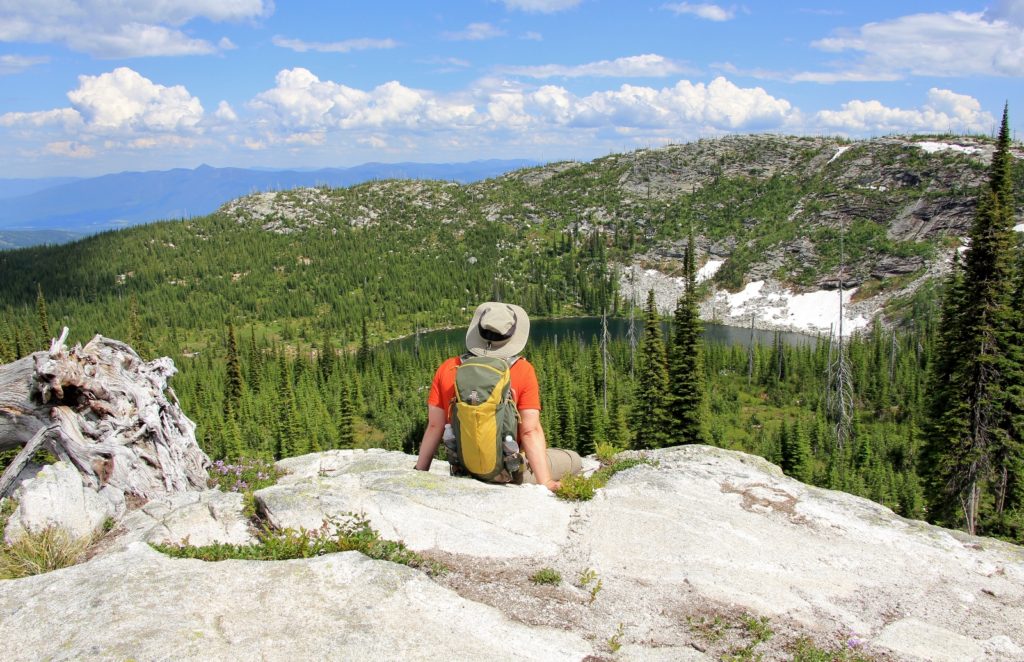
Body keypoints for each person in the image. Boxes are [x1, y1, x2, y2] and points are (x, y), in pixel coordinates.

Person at [413, 302, 581, 492]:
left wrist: (420, 471)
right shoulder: (523, 370)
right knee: (573, 459)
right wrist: (546, 482)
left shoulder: (448, 368)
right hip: (510, 473)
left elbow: (435, 426)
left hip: (465, 469)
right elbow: (529, 431)